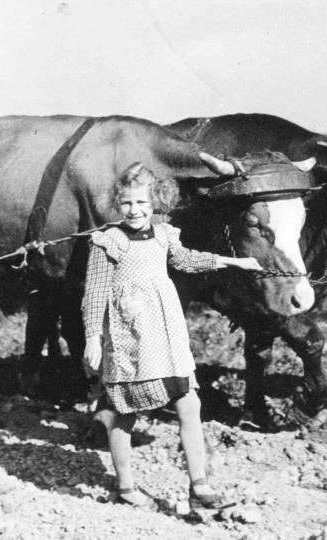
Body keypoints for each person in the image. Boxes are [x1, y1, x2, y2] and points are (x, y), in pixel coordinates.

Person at [82, 162, 262, 509]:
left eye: (142, 204)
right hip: (129, 335)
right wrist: (92, 338)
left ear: (155, 203)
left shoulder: (165, 234)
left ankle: (200, 486)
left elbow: (187, 261)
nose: (135, 211)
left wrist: (234, 262)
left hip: (165, 333)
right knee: (123, 411)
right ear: (117, 204)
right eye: (127, 204)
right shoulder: (108, 241)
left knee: (189, 403)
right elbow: (95, 292)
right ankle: (125, 487)